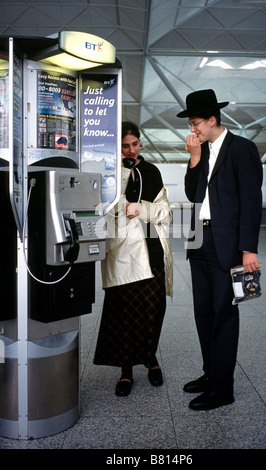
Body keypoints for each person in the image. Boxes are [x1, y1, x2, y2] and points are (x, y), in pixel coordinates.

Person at [176, 89, 263, 410]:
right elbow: (191, 194)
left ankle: (223, 389)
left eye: (196, 122)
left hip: (228, 244)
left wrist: (248, 249)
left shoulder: (242, 149)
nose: (192, 129)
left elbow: (251, 202)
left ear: (213, 120)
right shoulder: (202, 151)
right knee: (203, 312)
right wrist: (194, 158)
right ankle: (210, 374)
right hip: (200, 240)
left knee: (224, 314)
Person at [94, 121, 173, 397]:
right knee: (124, 313)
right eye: (125, 146)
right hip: (123, 253)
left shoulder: (152, 171)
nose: (131, 150)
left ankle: (150, 360)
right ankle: (125, 370)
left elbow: (166, 212)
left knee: (154, 309)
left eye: (135, 144)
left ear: (140, 143)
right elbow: (100, 210)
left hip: (151, 250)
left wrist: (142, 208)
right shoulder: (109, 172)